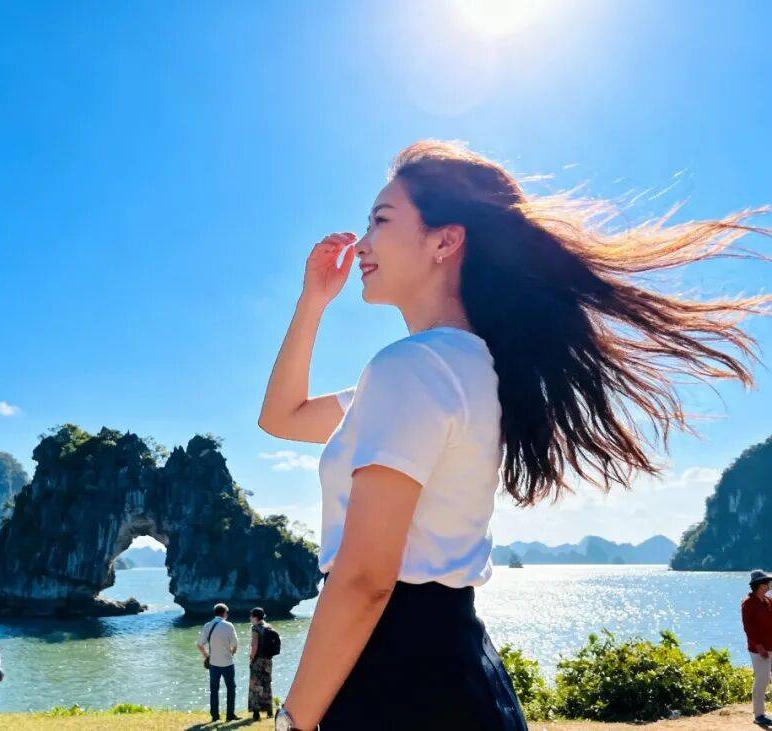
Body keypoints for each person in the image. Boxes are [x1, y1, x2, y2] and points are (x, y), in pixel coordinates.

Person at [258, 141, 770, 730]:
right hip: (456, 669)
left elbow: (365, 579)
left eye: (381, 220)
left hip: (397, 682)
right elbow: (284, 416)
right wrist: (313, 300)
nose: (362, 242)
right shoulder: (464, 369)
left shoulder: (413, 369)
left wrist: (294, 722)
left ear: (445, 241)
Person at [196, 603, 239, 723]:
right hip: (227, 663)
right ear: (225, 613)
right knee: (231, 688)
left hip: (214, 664)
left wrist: (207, 656)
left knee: (214, 689)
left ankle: (215, 716)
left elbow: (199, 644)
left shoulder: (208, 625)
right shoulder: (229, 625)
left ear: (215, 613)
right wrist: (232, 653)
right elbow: (235, 645)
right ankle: (230, 715)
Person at [743, 570, 772, 727]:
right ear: (760, 585)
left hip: (771, 646)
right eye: (767, 582)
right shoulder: (748, 603)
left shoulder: (767, 600)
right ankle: (759, 715)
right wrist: (759, 646)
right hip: (758, 650)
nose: (769, 585)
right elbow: (749, 627)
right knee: (762, 680)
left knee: (766, 679)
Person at [248, 608, 275, 722]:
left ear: (255, 617)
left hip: (258, 660)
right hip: (268, 660)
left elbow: (254, 645)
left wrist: (251, 658)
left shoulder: (255, 628)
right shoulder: (269, 626)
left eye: (251, 616)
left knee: (255, 684)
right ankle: (269, 711)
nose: (250, 618)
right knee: (267, 684)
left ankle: (256, 713)